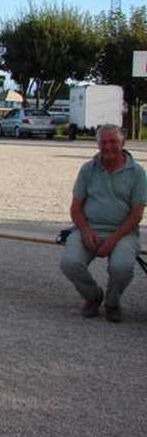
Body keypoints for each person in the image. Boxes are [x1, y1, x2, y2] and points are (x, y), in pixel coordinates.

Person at [60, 125, 146, 323]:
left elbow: (136, 214)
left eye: (113, 142)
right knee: (70, 263)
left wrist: (114, 239)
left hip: (124, 232)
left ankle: (112, 302)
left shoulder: (137, 173)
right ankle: (93, 296)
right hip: (89, 228)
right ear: (97, 144)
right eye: (103, 142)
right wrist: (85, 230)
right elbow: (75, 208)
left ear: (122, 143)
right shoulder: (88, 169)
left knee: (122, 267)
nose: (108, 146)